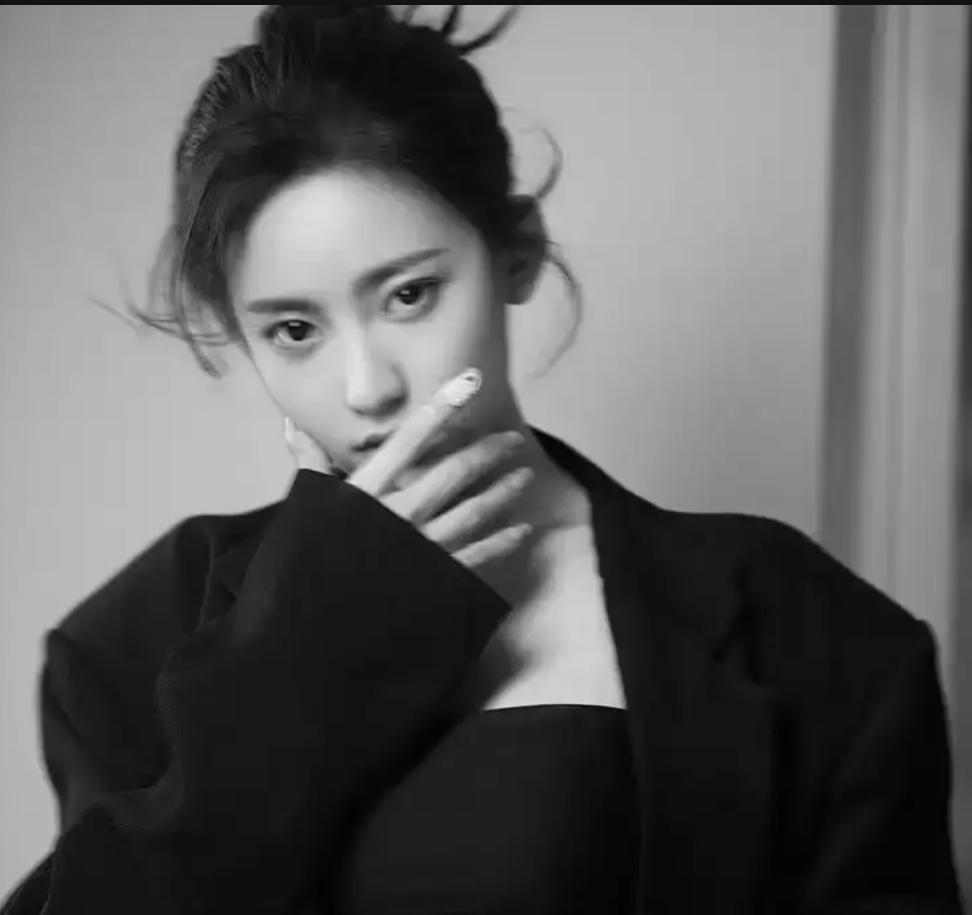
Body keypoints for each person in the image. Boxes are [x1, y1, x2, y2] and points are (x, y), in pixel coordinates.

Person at [1, 4, 965, 914]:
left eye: (409, 295)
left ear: (517, 253)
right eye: (294, 329)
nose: (367, 387)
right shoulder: (137, 636)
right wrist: (306, 648)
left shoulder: (814, 635)